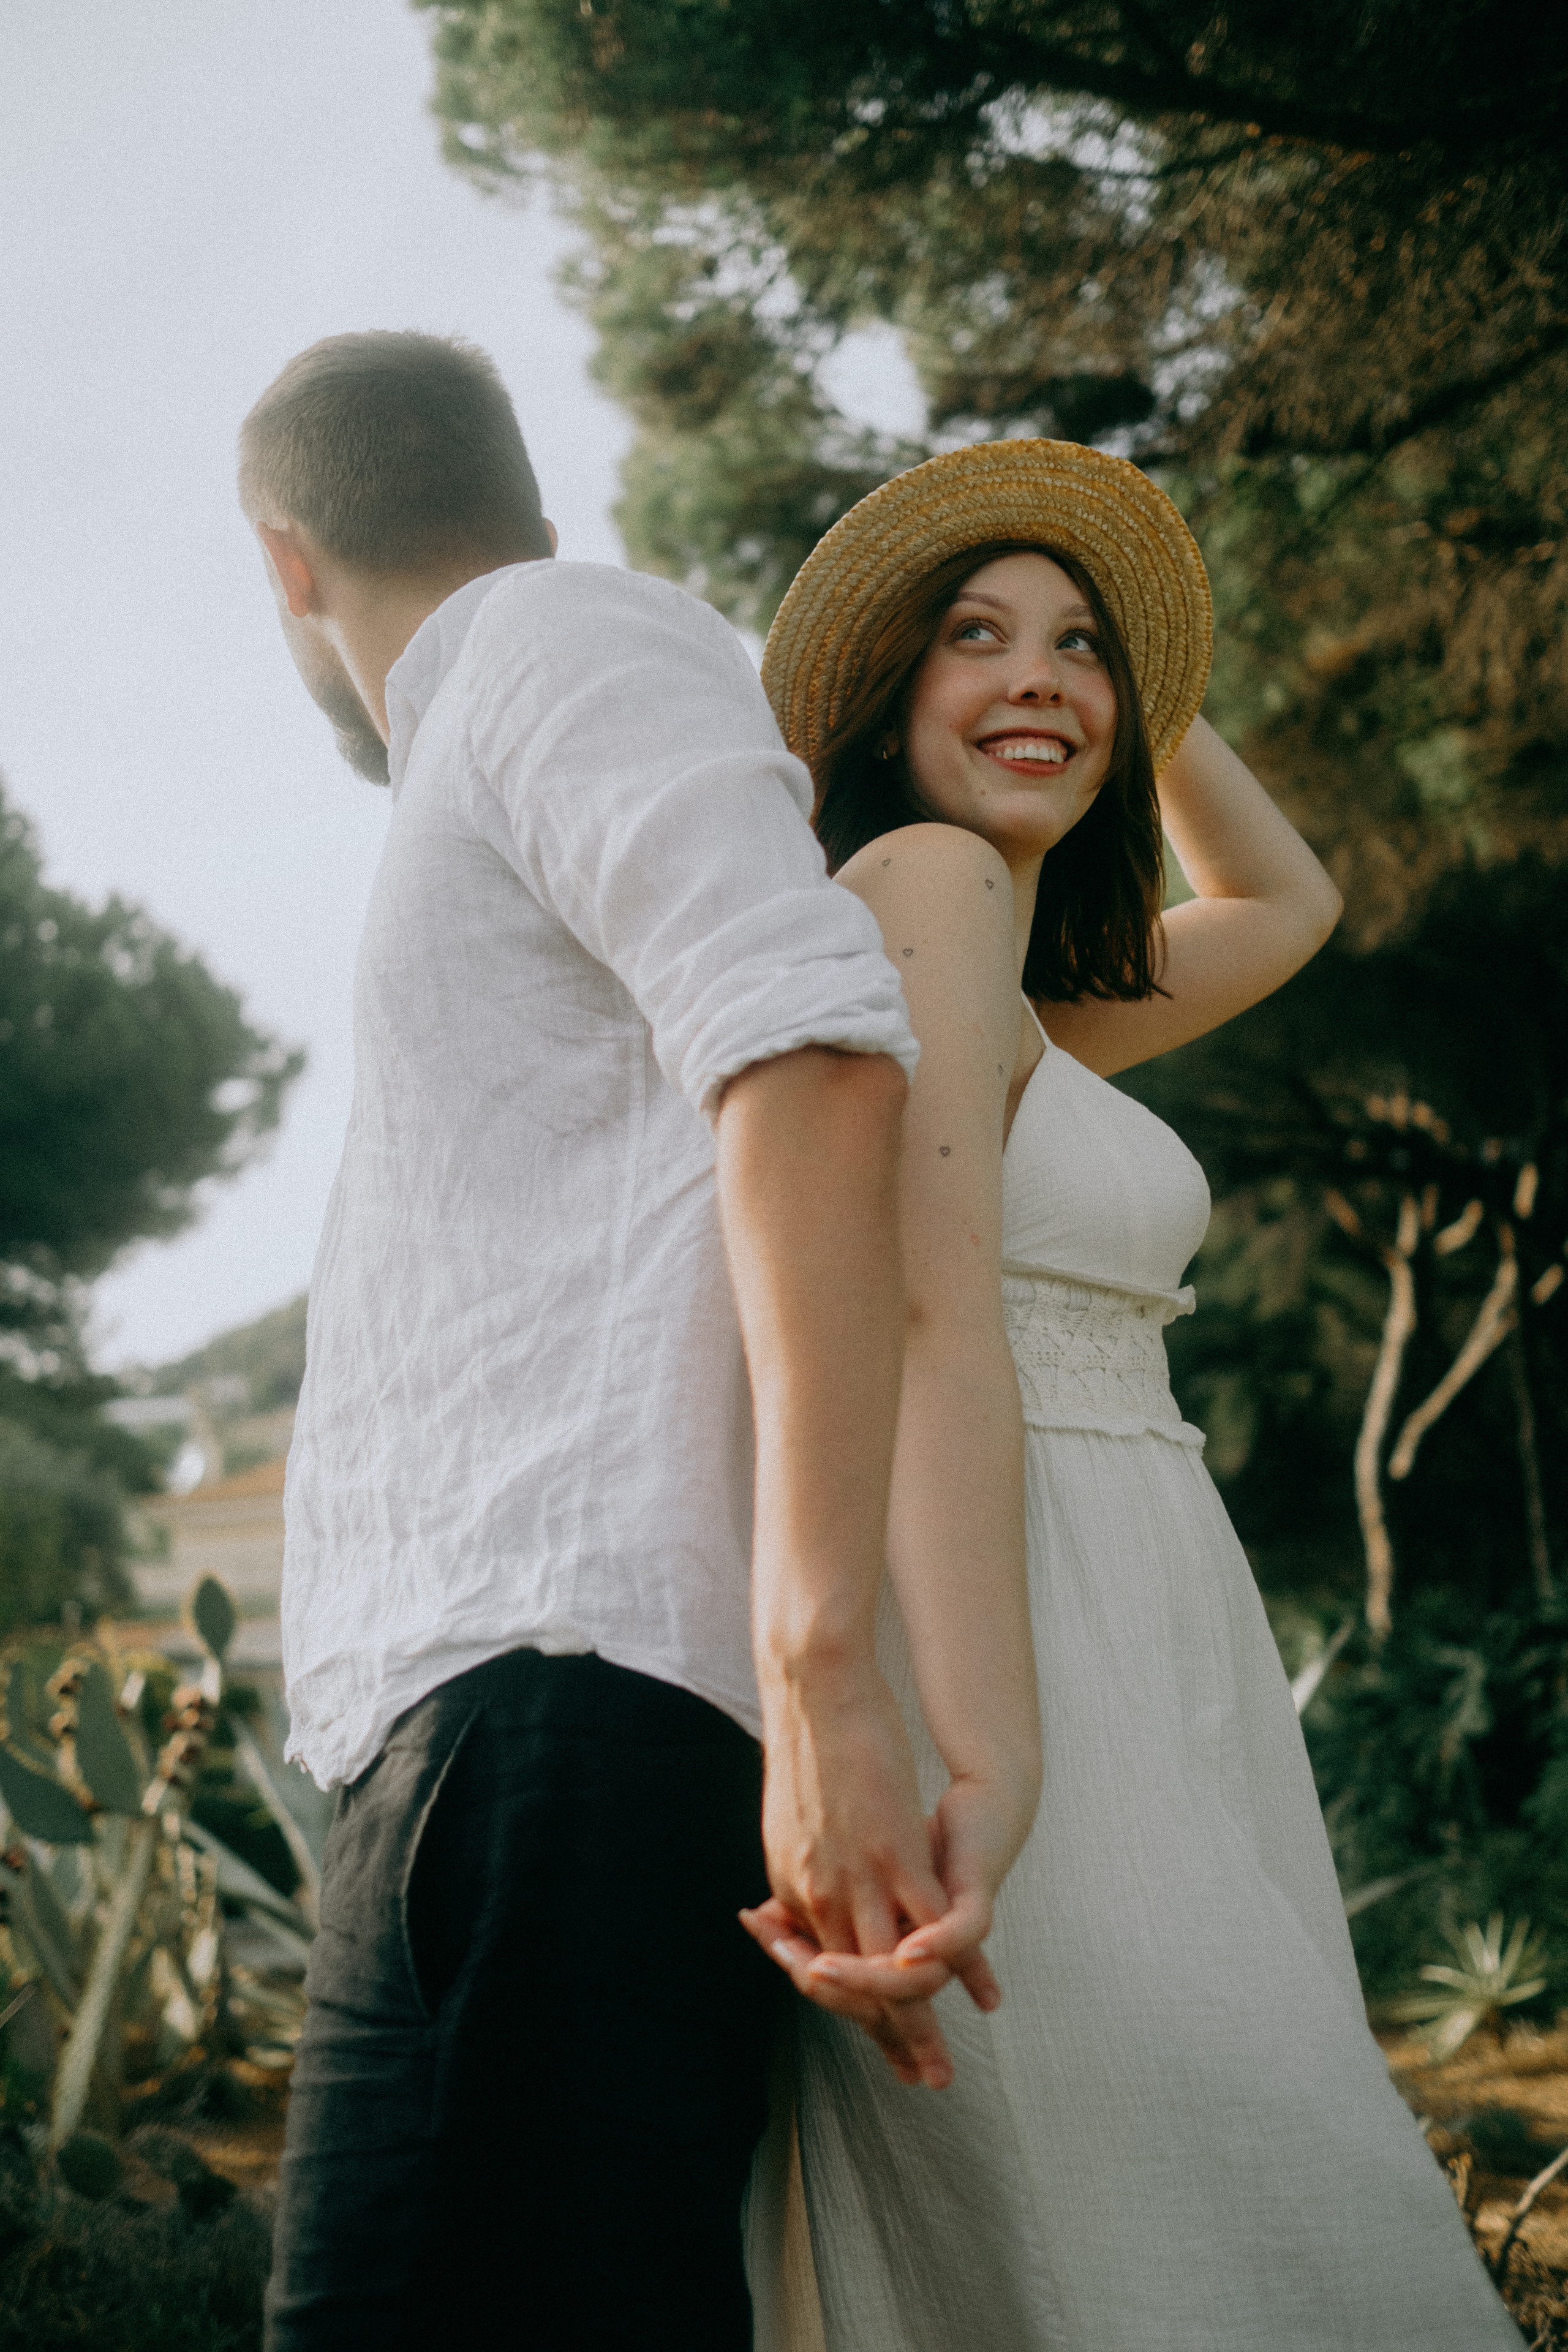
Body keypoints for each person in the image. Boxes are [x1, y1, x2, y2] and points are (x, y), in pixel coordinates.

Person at [237, 333, 1031, 2351]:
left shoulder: (548, 648)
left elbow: (814, 1053)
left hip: (556, 1731)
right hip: (480, 1746)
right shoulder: (533, 672)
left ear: (285, 564)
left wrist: (819, 1669)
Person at [740, 439, 1523, 2350]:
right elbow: (934, 1329)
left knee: (1198, 2177)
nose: (1041, 678)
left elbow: (1288, 897)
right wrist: (995, 1762)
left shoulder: (1018, 981)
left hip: (1136, 1628)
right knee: (1193, 2168)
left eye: (1079, 647)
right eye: (975, 639)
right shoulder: (918, 882)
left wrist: (1135, 675)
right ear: (879, 701)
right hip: (1015, 1637)